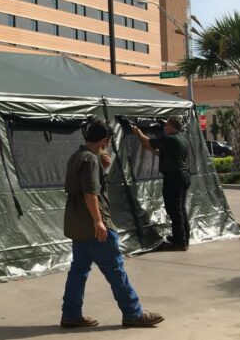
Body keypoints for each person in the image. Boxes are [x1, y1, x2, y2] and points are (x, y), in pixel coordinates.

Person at [60, 119, 164, 329]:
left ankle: (70, 315)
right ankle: (133, 313)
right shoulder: (90, 160)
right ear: (105, 141)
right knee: (115, 270)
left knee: (78, 271)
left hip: (77, 225)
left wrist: (103, 168)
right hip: (94, 226)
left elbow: (84, 188)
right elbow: (90, 193)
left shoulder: (77, 157)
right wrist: (99, 222)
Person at [131, 116, 191, 251]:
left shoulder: (169, 139)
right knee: (180, 209)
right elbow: (161, 152)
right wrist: (151, 149)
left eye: (166, 125)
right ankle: (183, 238)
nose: (164, 128)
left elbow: (147, 142)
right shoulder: (181, 139)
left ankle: (180, 242)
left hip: (174, 178)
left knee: (174, 210)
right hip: (183, 176)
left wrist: (138, 133)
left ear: (171, 126)